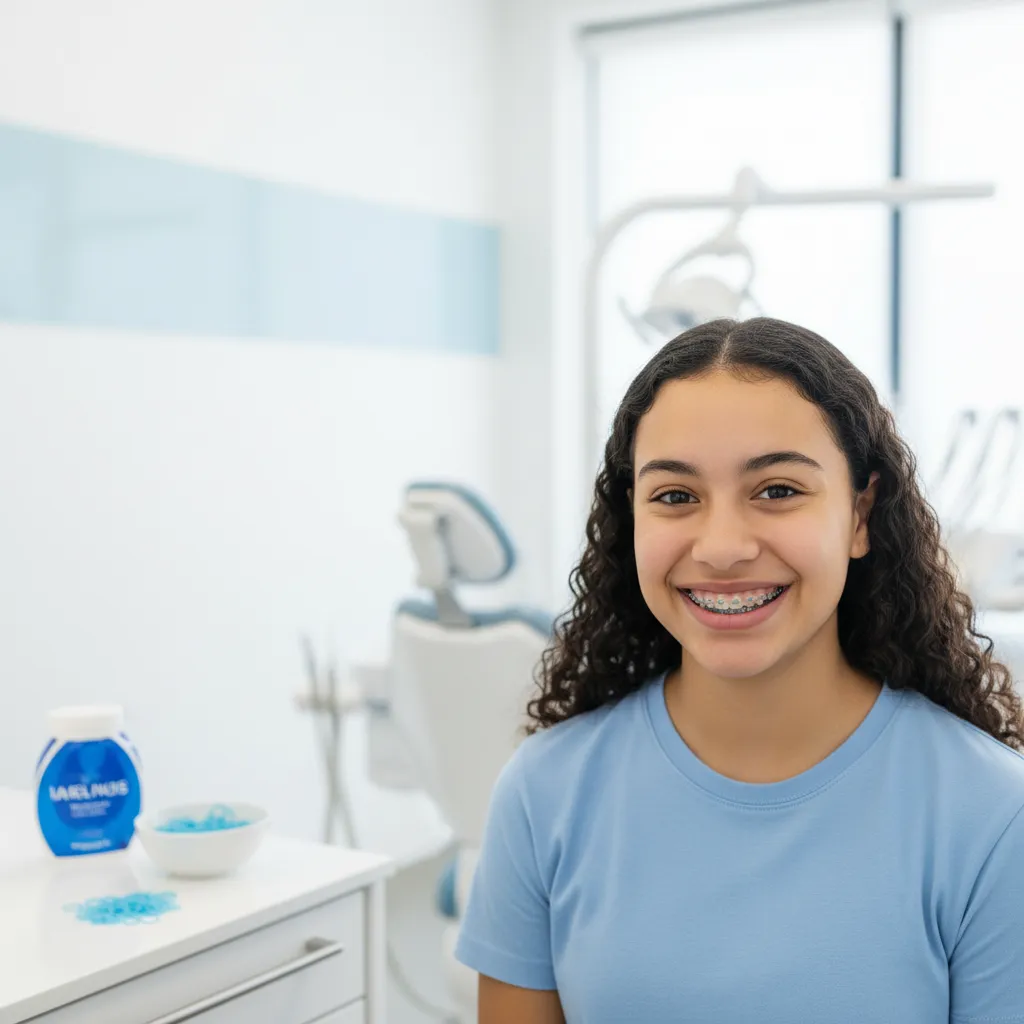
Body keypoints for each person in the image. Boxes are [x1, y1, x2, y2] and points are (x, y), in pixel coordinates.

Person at [453, 317, 1024, 1024]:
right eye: (675, 496)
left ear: (859, 514)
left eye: (777, 490)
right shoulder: (544, 796)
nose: (722, 547)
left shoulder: (994, 816)